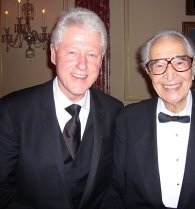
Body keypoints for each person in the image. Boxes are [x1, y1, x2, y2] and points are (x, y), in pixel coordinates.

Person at [0, 7, 123, 209]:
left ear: (101, 61)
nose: (82, 65)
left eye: (92, 54)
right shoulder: (12, 111)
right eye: (72, 52)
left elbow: (115, 184)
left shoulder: (115, 112)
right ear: (54, 54)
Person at [101, 30, 195, 209]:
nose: (169, 75)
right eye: (158, 65)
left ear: (193, 68)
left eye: (180, 62)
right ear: (149, 73)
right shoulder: (128, 120)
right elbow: (116, 189)